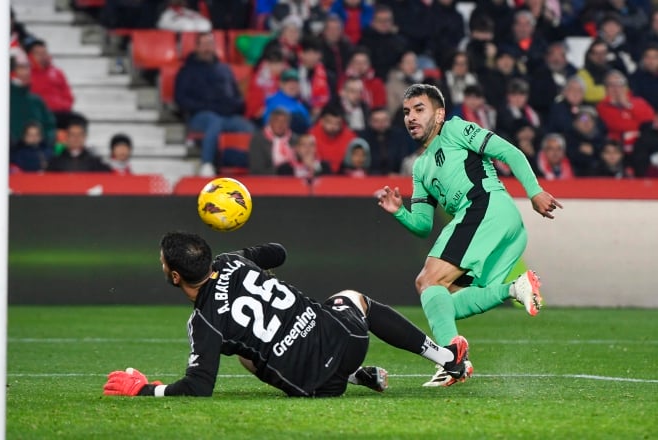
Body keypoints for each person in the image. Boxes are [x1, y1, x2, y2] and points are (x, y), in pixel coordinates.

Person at [103, 231, 471, 397]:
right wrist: (247, 256)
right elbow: (278, 252)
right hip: (348, 340)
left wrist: (146, 391)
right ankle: (446, 359)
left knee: (247, 352)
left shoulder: (203, 322)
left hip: (316, 386)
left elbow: (199, 387)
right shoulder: (231, 260)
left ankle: (356, 378)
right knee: (352, 298)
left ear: (175, 276)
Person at [376, 83, 562, 386]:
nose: (411, 117)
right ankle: (515, 289)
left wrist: (535, 191)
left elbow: (509, 152)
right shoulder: (420, 168)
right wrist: (399, 211)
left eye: (419, 110)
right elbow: (423, 225)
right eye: (407, 112)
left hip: (486, 207)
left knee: (427, 281)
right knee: (445, 300)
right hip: (501, 226)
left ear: (439, 115)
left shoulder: (456, 129)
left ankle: (451, 360)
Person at [175, 31, 255, 178]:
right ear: (197, 47)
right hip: (199, 116)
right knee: (214, 121)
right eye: (204, 44)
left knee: (247, 127)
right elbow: (181, 99)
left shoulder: (225, 70)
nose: (207, 48)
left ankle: (256, 164)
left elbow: (236, 97)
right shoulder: (187, 71)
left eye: (210, 44)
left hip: (227, 115)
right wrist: (207, 106)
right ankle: (207, 164)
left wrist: (234, 106)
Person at [46, 117, 112, 172]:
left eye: (79, 135)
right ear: (67, 137)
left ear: (85, 137)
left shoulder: (95, 163)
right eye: (72, 135)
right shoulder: (55, 163)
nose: (76, 138)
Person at [249, 107, 294, 175]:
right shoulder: (258, 140)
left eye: (284, 121)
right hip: (267, 180)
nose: (280, 125)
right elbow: (256, 170)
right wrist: (279, 171)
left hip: (292, 179)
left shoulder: (295, 140)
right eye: (277, 121)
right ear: (270, 122)